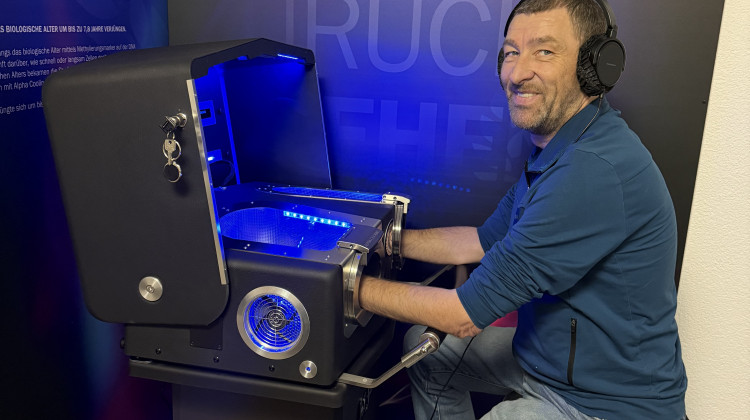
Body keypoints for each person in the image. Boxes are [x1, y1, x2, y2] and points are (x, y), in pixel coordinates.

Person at [358, 0, 687, 419]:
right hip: (546, 362)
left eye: (544, 51)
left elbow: (461, 316)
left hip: (604, 404)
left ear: (593, 67)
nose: (517, 73)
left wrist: (346, 285)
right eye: (512, 52)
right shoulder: (563, 148)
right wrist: (383, 241)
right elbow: (479, 242)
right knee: (425, 352)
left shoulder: (594, 169)